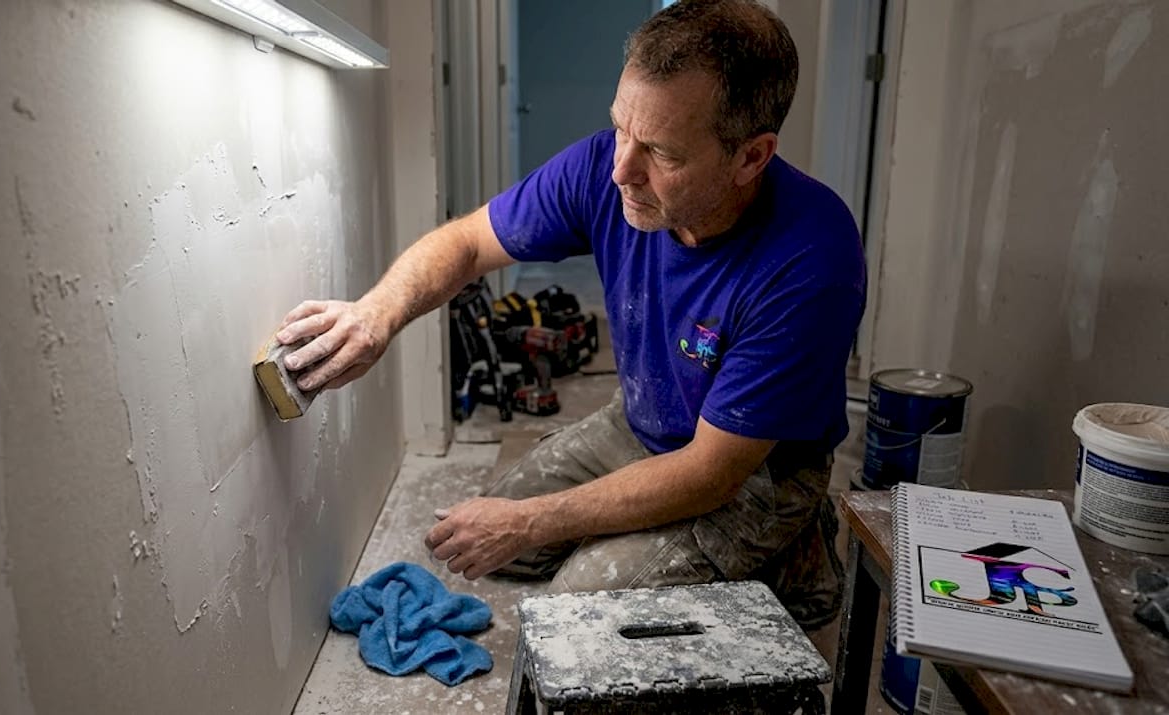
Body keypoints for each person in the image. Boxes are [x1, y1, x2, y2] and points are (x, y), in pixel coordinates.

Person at [275, 0, 865, 629]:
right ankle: (650, 547)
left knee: (572, 614)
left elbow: (709, 473)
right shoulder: (604, 169)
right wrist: (377, 313)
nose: (621, 171)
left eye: (662, 153)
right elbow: (470, 242)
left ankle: (796, 559)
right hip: (644, 424)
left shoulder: (811, 258)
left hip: (755, 471)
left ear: (750, 157)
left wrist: (535, 523)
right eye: (620, 129)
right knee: (480, 539)